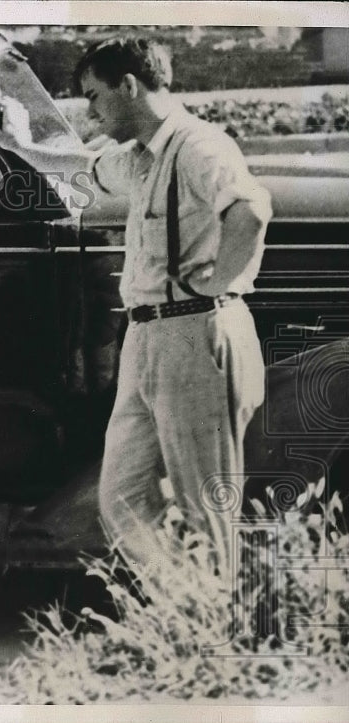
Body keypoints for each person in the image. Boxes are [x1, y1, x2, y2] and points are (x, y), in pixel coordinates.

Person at [66, 38, 272, 577]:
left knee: (208, 505)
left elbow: (250, 211)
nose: (90, 112)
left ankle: (217, 636)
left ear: (129, 85)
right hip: (147, 338)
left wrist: (218, 283)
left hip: (194, 334)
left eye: (94, 96)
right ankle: (189, 605)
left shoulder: (199, 145)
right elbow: (80, 170)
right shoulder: (140, 155)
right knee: (122, 496)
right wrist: (13, 137)